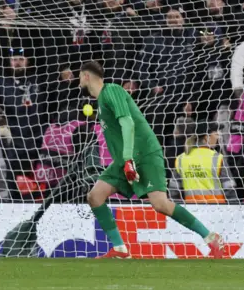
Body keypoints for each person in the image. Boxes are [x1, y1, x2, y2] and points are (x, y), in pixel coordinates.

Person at [79, 61, 224, 259]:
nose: (78, 81)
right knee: (95, 196)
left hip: (144, 154)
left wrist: (128, 158)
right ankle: (120, 249)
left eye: (80, 76)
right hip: (125, 160)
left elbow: (128, 123)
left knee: (160, 204)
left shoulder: (112, 90)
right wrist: (126, 160)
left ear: (86, 76)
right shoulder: (101, 101)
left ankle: (210, 237)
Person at [170, 122, 237, 204]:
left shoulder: (181, 159)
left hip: (191, 210)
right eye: (216, 134)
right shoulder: (218, 158)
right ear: (207, 137)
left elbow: (174, 191)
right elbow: (229, 189)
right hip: (217, 210)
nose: (218, 137)